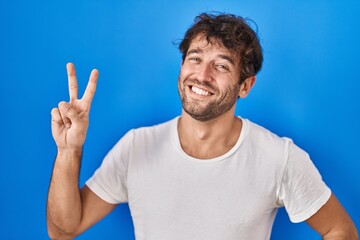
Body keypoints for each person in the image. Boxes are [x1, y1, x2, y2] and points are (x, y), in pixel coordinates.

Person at [47, 13, 358, 239]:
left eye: (221, 65)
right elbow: (63, 229)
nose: (202, 75)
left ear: (245, 85)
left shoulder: (280, 157)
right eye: (194, 59)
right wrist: (68, 151)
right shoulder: (136, 146)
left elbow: (339, 229)